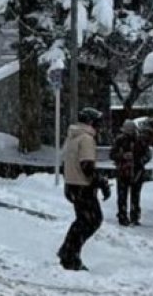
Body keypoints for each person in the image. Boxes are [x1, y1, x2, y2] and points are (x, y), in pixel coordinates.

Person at [57, 107, 112, 270]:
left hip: (72, 185)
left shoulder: (72, 137)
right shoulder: (86, 139)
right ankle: (70, 254)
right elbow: (86, 165)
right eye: (97, 122)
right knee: (92, 220)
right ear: (90, 122)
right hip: (83, 186)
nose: (99, 126)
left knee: (83, 220)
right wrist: (100, 182)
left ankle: (67, 251)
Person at [110, 119, 151, 226]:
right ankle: (127, 216)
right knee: (128, 195)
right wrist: (123, 157)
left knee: (131, 195)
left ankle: (130, 216)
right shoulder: (121, 140)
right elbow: (112, 154)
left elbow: (147, 155)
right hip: (126, 171)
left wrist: (138, 161)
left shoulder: (139, 141)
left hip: (133, 171)